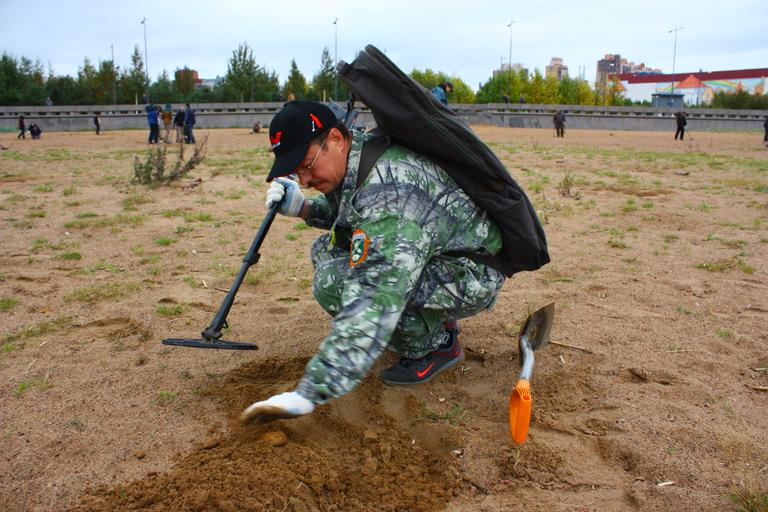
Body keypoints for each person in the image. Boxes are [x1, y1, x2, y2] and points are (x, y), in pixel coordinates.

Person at [240, 101, 506, 424]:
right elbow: (355, 214)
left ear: (336, 139)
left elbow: (373, 299)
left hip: (472, 274)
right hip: (447, 252)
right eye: (297, 172)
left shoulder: (391, 193)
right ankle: (433, 319)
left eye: (308, 165)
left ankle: (437, 346)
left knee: (335, 284)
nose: (305, 180)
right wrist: (305, 210)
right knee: (327, 250)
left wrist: (309, 393)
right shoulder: (363, 152)